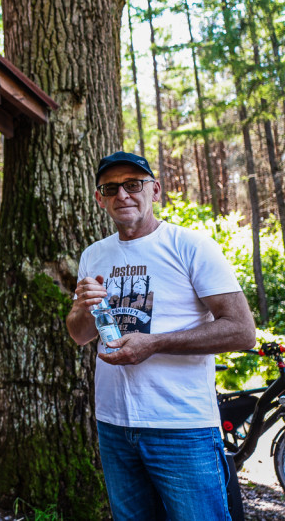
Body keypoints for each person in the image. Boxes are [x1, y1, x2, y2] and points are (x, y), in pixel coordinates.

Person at [68, 151, 256, 521]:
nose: (122, 195)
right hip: (114, 424)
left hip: (182, 426)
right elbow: (80, 335)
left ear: (154, 190)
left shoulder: (191, 246)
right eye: (111, 188)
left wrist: (153, 344)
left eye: (133, 185)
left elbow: (241, 330)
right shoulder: (94, 254)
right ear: (99, 199)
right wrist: (79, 308)